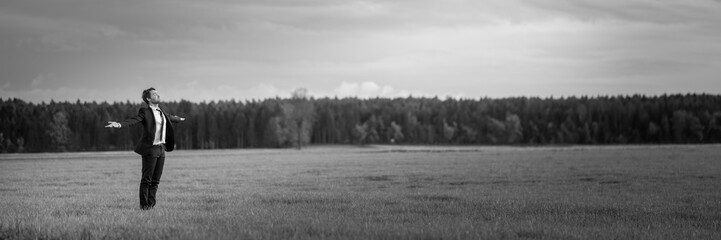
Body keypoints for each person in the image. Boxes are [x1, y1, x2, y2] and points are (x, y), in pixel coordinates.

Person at [105, 87, 185, 210]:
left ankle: (151, 205)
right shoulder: (145, 111)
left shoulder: (162, 111)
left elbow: (171, 118)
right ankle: (144, 207)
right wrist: (120, 124)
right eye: (154, 94)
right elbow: (134, 120)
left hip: (161, 149)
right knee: (146, 180)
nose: (158, 95)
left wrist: (179, 119)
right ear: (148, 98)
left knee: (156, 181)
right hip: (150, 149)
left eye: (158, 93)